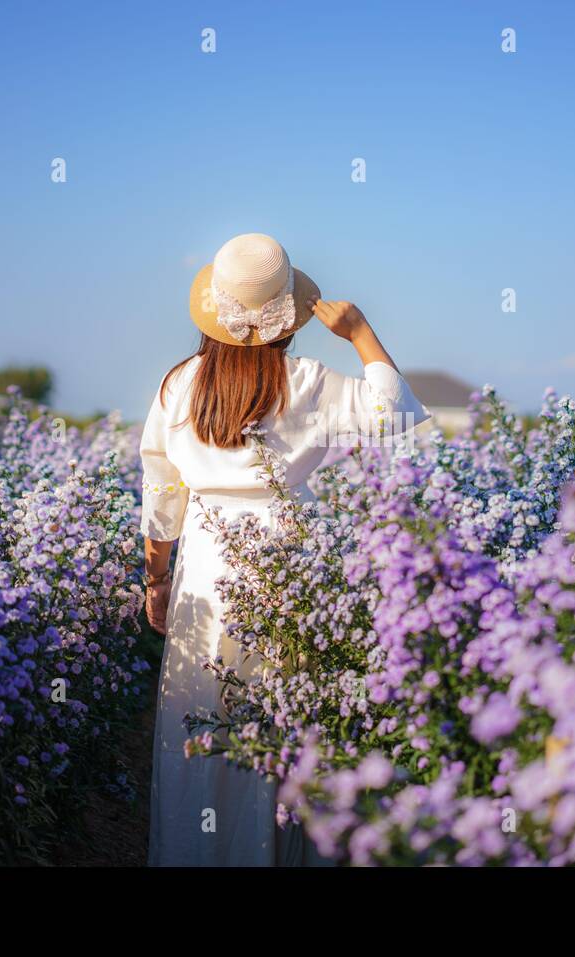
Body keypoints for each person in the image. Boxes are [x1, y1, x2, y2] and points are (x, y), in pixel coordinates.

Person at [141, 233, 429, 865]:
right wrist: (359, 332)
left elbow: (162, 497)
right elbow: (397, 416)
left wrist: (156, 581)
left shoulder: (178, 386)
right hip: (284, 562)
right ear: (287, 315)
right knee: (281, 715)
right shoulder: (309, 381)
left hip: (205, 567)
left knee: (200, 711)